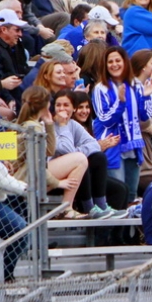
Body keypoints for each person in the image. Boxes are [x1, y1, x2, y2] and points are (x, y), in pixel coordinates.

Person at [52, 89, 127, 219]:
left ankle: (101, 205)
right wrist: (63, 126)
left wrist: (78, 152)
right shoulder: (50, 125)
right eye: (58, 105)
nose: (62, 109)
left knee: (98, 158)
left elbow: (94, 145)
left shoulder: (74, 124)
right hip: (52, 175)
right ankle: (89, 208)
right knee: (81, 160)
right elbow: (67, 150)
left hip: (73, 170)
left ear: (73, 108)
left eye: (66, 105)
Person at [16, 86, 87, 219]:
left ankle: (67, 208)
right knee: (80, 159)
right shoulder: (33, 128)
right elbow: (37, 164)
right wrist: (57, 183)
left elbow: (49, 151)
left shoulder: (34, 124)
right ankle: (66, 208)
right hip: (26, 180)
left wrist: (49, 125)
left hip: (28, 177)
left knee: (80, 159)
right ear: (45, 105)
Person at [92, 45, 149, 203]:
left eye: (118, 60)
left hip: (134, 145)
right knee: (118, 195)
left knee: (131, 195)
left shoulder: (136, 85)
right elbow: (105, 119)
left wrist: (145, 96)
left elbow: (144, 116)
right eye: (110, 61)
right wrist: (121, 102)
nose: (114, 64)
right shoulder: (100, 88)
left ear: (125, 62)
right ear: (105, 65)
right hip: (112, 146)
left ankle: (127, 228)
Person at [0, 160, 28, 282]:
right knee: (20, 229)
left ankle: (5, 276)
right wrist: (25, 189)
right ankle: (5, 276)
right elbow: (0, 180)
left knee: (22, 230)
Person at [0, 8, 31, 105]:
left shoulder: (17, 46)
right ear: (4, 29)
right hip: (5, 98)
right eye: (17, 30)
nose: (20, 34)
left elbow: (23, 69)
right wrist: (9, 99)